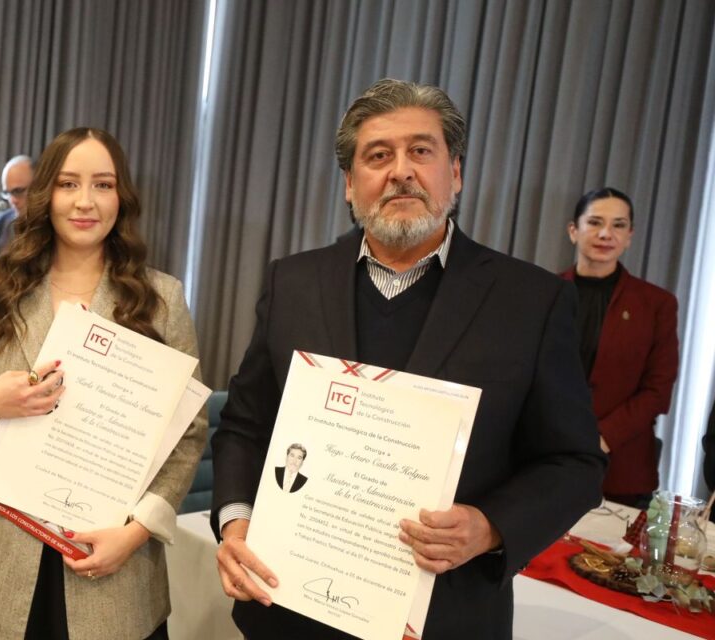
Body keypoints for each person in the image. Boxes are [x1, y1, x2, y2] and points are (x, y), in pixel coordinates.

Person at [210, 78, 606, 639]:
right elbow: (245, 427)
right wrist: (234, 522)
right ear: (350, 185)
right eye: (378, 155)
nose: (401, 170)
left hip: (446, 614)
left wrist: (490, 526)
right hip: (289, 606)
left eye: (421, 150)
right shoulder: (292, 282)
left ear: (456, 173)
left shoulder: (532, 301)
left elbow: (574, 463)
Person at [0, 127, 206, 640]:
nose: (85, 202)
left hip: (112, 557)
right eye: (67, 184)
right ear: (44, 195)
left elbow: (188, 433)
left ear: (121, 197)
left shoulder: (161, 299)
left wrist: (138, 530)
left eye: (102, 185)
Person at [561, 187, 679, 509]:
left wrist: (602, 437)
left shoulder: (657, 304)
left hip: (622, 468)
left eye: (618, 225)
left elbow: (658, 390)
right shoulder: (546, 293)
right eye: (595, 222)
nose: (605, 234)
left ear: (629, 236)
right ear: (574, 230)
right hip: (546, 457)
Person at [0, 154, 33, 254]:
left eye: (18, 191)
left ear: (39, 186)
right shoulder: (2, 220)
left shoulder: (54, 224)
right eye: (7, 193)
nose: (12, 200)